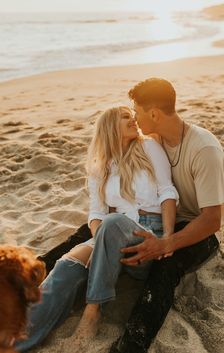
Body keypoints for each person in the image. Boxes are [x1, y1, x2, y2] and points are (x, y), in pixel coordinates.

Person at [16, 106, 179, 352]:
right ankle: (17, 336)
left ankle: (92, 313)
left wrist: (167, 237)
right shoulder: (99, 167)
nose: (133, 120)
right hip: (111, 234)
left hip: (147, 235)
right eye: (126, 117)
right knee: (66, 266)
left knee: (112, 224)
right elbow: (96, 214)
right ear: (110, 127)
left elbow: (167, 192)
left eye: (132, 115)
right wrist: (99, 244)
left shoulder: (149, 148)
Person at [109, 78, 224, 353]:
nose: (135, 118)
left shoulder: (203, 149)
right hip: (160, 217)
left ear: (153, 114)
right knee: (99, 226)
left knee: (165, 266)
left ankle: (132, 345)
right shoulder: (153, 142)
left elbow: (213, 219)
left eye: (136, 111)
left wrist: (166, 243)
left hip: (200, 229)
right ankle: (39, 265)